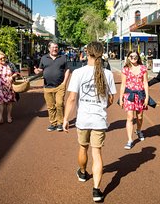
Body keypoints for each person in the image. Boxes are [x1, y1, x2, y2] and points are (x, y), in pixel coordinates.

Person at [62, 42, 116, 202]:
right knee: (97, 153)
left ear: (87, 53)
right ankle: (97, 191)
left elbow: (72, 98)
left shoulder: (78, 73)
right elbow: (111, 99)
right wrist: (101, 105)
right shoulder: (108, 74)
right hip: (99, 120)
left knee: (83, 148)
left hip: (83, 119)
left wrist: (65, 119)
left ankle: (83, 172)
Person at [34, 41, 70, 132]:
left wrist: (64, 82)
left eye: (56, 47)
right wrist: (37, 71)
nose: (55, 49)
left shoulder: (63, 58)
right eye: (53, 47)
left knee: (59, 104)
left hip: (60, 86)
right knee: (50, 106)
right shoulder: (44, 58)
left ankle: (60, 123)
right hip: (47, 86)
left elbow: (67, 70)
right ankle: (53, 123)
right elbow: (40, 70)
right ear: (49, 48)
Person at [119, 50, 149, 150]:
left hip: (140, 95)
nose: (133, 58)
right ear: (128, 57)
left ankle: (139, 130)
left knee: (139, 117)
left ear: (138, 57)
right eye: (131, 56)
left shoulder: (143, 68)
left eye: (135, 57)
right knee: (130, 117)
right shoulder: (125, 69)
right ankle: (130, 140)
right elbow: (123, 84)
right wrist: (121, 98)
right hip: (129, 95)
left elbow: (145, 82)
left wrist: (147, 97)